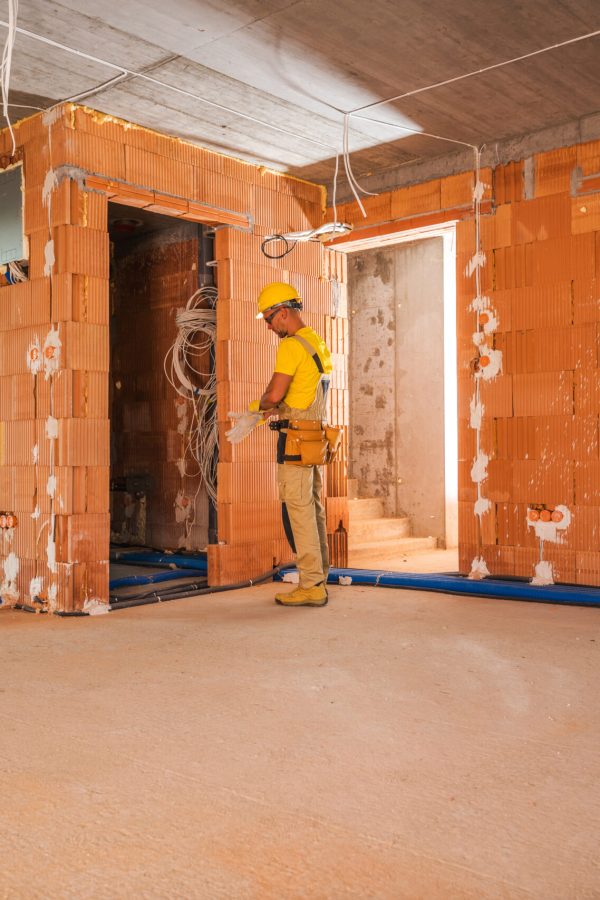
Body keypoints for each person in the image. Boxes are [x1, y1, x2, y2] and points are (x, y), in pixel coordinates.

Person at [252, 281, 333, 607]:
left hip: (295, 439)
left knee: (298, 509)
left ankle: (312, 585)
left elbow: (274, 394)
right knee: (313, 508)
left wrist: (253, 411)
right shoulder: (316, 341)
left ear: (283, 313)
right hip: (314, 437)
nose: (269, 326)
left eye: (269, 319)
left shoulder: (290, 346)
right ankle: (320, 576)